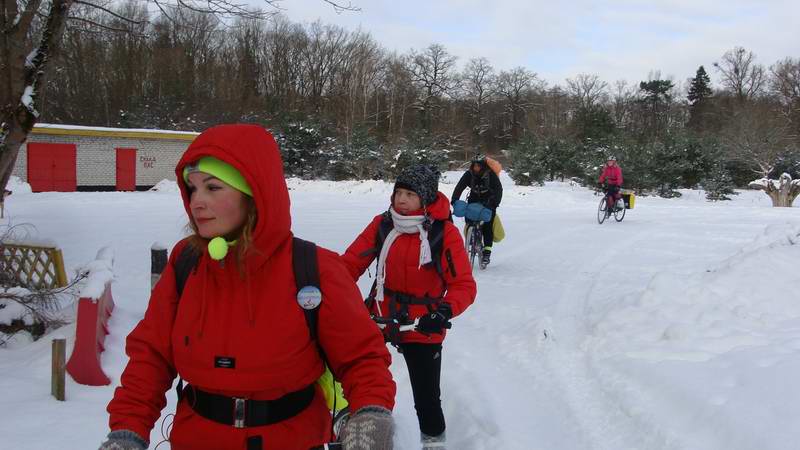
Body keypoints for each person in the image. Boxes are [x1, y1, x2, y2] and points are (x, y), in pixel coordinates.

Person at [100, 124, 396, 450]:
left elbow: (362, 359)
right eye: (192, 188)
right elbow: (151, 358)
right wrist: (127, 432)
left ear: (255, 193)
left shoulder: (315, 268)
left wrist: (370, 416)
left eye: (213, 188)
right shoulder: (187, 262)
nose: (196, 201)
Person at [340, 164, 477, 449]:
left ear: (425, 199)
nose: (401, 199)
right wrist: (326, 286)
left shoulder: (444, 233)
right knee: (354, 375)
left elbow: (464, 284)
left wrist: (443, 312)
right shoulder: (383, 224)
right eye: (398, 192)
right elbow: (349, 264)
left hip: (422, 323)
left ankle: (433, 442)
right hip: (380, 315)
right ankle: (356, 425)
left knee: (427, 399)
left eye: (410, 194)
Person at [450, 154, 503, 267]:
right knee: (469, 220)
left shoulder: (490, 174)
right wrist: (454, 199)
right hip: (474, 198)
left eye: (478, 165)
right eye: (474, 165)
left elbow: (499, 189)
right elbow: (460, 186)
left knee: (488, 225)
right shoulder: (469, 174)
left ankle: (487, 253)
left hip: (489, 200)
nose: (476, 168)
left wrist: (494, 204)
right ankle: (472, 238)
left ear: (483, 166)